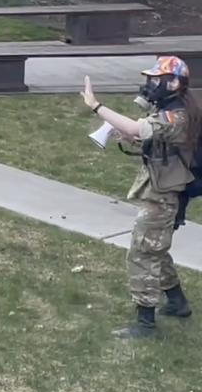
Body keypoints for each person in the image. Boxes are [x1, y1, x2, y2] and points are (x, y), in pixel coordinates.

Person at [81, 56, 201, 338]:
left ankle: (145, 323)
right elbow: (146, 137)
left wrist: (96, 106)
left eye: (156, 80)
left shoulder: (178, 115)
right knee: (155, 247)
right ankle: (176, 302)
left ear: (174, 83)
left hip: (165, 194)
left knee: (143, 252)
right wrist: (125, 134)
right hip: (160, 189)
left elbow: (141, 128)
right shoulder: (169, 109)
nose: (150, 85)